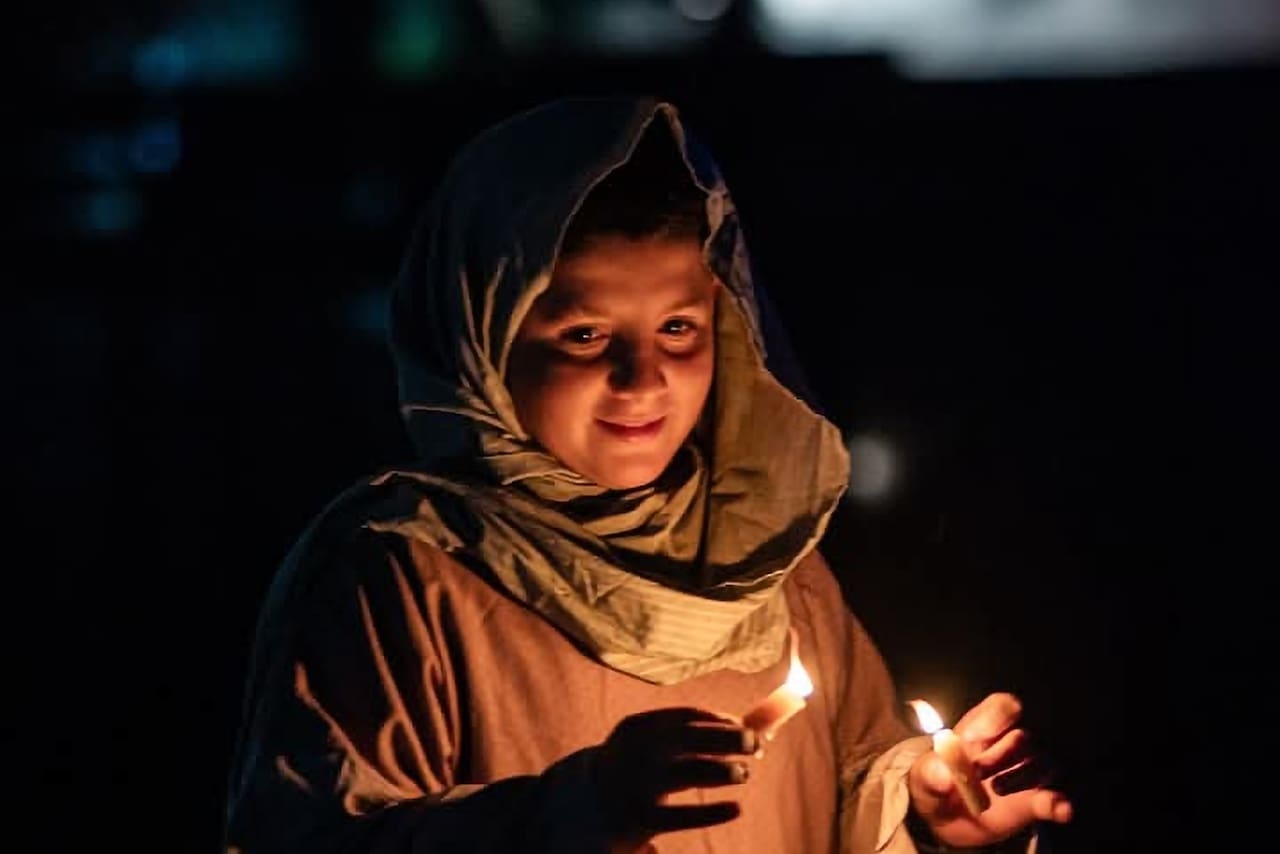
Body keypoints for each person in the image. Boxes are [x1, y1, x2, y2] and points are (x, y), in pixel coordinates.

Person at [221, 95, 1073, 853]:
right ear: (482, 341)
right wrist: (573, 817)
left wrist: (929, 824)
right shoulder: (402, 578)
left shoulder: (768, 568)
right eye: (585, 336)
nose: (643, 380)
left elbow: (843, 795)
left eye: (677, 329)